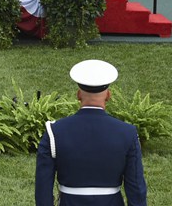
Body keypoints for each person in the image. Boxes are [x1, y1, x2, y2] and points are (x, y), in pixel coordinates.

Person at [35, 59, 147, 206]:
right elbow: (136, 188)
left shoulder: (54, 131)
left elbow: (43, 187)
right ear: (108, 95)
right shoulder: (127, 133)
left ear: (78, 95)